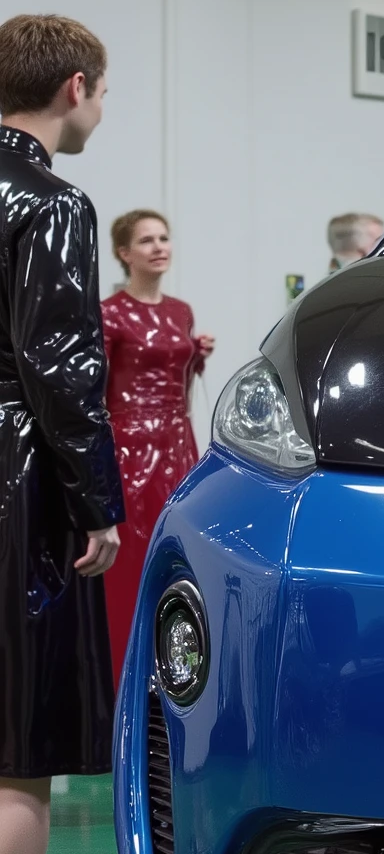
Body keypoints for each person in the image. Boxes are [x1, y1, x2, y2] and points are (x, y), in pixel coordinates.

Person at [0, 14, 123, 854]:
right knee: (17, 743)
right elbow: (62, 370)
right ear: (74, 87)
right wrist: (97, 504)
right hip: (15, 484)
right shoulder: (51, 203)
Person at [100, 212, 213, 677]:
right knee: (131, 554)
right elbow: (96, 388)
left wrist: (196, 356)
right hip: (129, 447)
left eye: (163, 238)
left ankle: (174, 664)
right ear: (125, 253)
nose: (159, 247)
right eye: (146, 240)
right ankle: (122, 669)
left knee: (179, 550)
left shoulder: (180, 310)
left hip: (177, 440)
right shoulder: (108, 313)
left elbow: (176, 378)